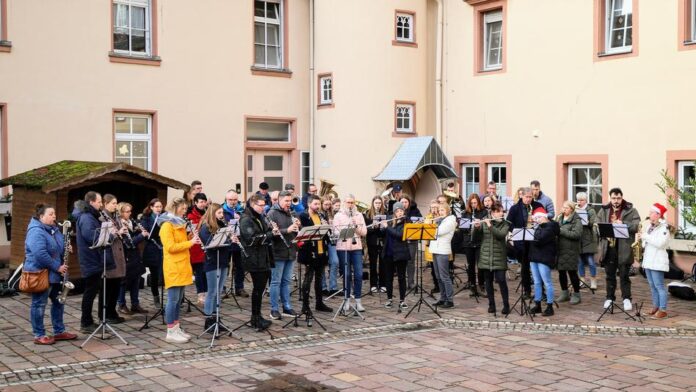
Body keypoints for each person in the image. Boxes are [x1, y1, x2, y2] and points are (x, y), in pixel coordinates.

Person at [25, 204, 78, 345]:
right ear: (41, 216)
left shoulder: (54, 230)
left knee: (58, 302)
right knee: (39, 304)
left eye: (54, 214)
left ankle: (59, 331)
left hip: (55, 275)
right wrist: (57, 267)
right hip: (41, 273)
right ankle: (39, 334)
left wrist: (67, 248)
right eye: (50, 214)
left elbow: (58, 247)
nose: (54, 216)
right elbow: (40, 254)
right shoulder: (36, 231)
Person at [160, 197, 199, 343]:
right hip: (173, 267)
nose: (184, 212)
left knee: (178, 301)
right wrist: (190, 242)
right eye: (182, 209)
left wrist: (189, 236)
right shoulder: (167, 226)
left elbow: (180, 243)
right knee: (173, 300)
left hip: (182, 265)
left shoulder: (179, 223)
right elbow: (170, 247)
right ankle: (170, 330)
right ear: (175, 208)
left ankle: (176, 327)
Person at [596, 187, 641, 311]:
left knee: (624, 276)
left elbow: (637, 225)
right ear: (610, 198)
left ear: (622, 197)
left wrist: (624, 224)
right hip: (608, 248)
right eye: (614, 198)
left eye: (618, 198)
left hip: (624, 249)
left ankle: (627, 299)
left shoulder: (631, 210)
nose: (616, 201)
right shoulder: (604, 210)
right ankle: (609, 298)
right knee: (609, 275)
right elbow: (596, 225)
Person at [74, 191, 111, 333]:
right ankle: (85, 323)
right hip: (90, 259)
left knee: (92, 290)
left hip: (94, 258)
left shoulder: (91, 216)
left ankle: (88, 320)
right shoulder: (87, 218)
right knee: (90, 292)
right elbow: (92, 238)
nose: (101, 204)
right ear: (91, 202)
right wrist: (107, 234)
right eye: (99, 201)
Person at [239, 194, 275, 331]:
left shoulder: (260, 216)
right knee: (257, 289)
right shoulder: (246, 219)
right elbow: (251, 239)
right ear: (253, 204)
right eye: (260, 205)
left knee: (260, 288)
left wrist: (272, 230)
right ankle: (255, 318)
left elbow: (265, 232)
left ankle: (258, 316)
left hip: (263, 256)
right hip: (254, 258)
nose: (263, 207)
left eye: (263, 205)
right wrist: (270, 235)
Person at [197, 203, 232, 332]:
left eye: (222, 213)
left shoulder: (223, 225)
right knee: (211, 291)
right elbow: (209, 244)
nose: (221, 215)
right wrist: (223, 239)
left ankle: (217, 317)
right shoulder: (206, 228)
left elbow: (226, 243)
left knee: (219, 291)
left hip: (223, 261)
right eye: (219, 213)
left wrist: (230, 237)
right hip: (212, 262)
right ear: (212, 214)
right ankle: (208, 319)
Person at [298, 195, 334, 314]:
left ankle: (319, 303)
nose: (318, 206)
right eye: (315, 204)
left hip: (321, 251)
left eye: (319, 204)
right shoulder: (303, 216)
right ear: (309, 204)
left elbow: (327, 234)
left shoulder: (321, 215)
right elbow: (303, 233)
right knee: (308, 278)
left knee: (319, 278)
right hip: (309, 252)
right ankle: (305, 306)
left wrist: (326, 226)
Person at [266, 191, 300, 320]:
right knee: (275, 282)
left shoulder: (292, 213)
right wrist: (287, 230)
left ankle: (287, 306)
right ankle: (274, 309)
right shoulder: (271, 213)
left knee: (286, 281)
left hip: (290, 251)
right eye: (286, 201)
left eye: (290, 201)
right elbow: (270, 233)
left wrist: (298, 226)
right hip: (278, 252)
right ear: (279, 201)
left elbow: (296, 233)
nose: (288, 203)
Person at [473, 202, 511, 314]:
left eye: (501, 211)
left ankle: (506, 305)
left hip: (499, 257)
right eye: (498, 211)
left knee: (501, 281)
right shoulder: (485, 221)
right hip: (486, 257)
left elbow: (500, 235)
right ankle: (491, 305)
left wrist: (490, 226)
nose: (501, 213)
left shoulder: (506, 224)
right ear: (493, 213)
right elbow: (475, 238)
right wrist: (476, 228)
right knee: (488, 282)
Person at [333, 194, 368, 311]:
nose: (350, 205)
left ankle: (358, 301)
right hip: (343, 248)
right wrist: (347, 228)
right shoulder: (338, 215)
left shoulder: (359, 215)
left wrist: (356, 226)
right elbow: (335, 232)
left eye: (352, 202)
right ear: (344, 203)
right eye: (348, 202)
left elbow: (364, 232)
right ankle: (346, 300)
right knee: (347, 275)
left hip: (356, 247)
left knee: (358, 274)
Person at [507, 187, 543, 299]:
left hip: (535, 241)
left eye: (530, 197)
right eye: (526, 197)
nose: (528, 199)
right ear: (521, 196)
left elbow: (545, 221)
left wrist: (537, 221)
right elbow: (509, 222)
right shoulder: (515, 208)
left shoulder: (537, 206)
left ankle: (542, 292)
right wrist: (516, 231)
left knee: (538, 267)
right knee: (525, 268)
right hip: (521, 242)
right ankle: (527, 291)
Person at [638, 203, 671, 319]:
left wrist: (645, 236)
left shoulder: (665, 228)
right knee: (652, 286)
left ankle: (663, 309)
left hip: (657, 261)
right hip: (648, 260)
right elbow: (646, 243)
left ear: (658, 215)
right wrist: (641, 238)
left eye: (651, 212)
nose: (649, 214)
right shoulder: (649, 227)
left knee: (659, 286)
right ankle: (655, 307)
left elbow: (660, 243)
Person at [117, 202, 148, 315]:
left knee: (136, 279)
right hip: (126, 256)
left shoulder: (130, 222)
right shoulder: (119, 225)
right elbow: (128, 243)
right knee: (123, 282)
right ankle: (121, 304)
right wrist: (141, 236)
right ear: (121, 212)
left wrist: (138, 230)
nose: (129, 213)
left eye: (130, 211)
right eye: (127, 211)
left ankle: (135, 304)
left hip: (135, 256)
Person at [101, 194, 128, 324]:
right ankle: (105, 313)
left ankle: (112, 312)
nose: (115, 206)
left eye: (116, 203)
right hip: (110, 254)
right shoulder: (102, 217)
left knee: (116, 285)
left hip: (118, 253)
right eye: (112, 203)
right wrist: (118, 232)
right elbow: (104, 235)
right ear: (105, 204)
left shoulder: (115, 216)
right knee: (108, 287)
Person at [528, 207, 559, 316]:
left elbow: (539, 240)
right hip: (534, 257)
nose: (538, 219)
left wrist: (531, 234)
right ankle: (538, 305)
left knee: (547, 282)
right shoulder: (539, 227)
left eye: (539, 217)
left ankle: (550, 306)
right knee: (536, 282)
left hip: (544, 258)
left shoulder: (550, 227)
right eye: (536, 218)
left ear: (545, 216)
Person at [381, 202, 409, 309]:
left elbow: (399, 235)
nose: (399, 213)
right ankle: (389, 299)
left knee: (401, 277)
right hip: (388, 253)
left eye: (401, 211)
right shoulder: (390, 222)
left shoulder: (406, 222)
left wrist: (387, 228)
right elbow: (382, 235)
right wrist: (382, 228)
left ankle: (402, 300)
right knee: (389, 278)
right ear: (394, 213)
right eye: (397, 211)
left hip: (401, 254)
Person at [555, 201, 583, 305]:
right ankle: (564, 293)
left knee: (572, 272)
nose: (563, 209)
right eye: (563, 207)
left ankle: (576, 294)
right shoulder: (559, 218)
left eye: (566, 207)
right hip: (560, 249)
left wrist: (561, 231)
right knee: (561, 272)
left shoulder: (576, 220)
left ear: (571, 209)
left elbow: (577, 234)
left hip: (571, 250)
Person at [430, 203, 457, 309]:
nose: (440, 212)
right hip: (435, 249)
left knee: (444, 276)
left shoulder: (450, 221)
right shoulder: (440, 220)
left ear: (447, 211)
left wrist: (431, 224)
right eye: (439, 210)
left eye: (442, 210)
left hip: (443, 251)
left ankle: (450, 300)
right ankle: (442, 298)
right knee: (438, 276)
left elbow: (438, 232)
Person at [222, 190, 248, 298]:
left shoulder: (242, 210)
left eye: (235, 200)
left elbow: (248, 225)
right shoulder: (221, 210)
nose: (233, 202)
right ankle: (222, 288)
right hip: (226, 242)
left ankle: (239, 287)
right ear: (226, 200)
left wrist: (241, 219)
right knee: (224, 265)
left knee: (240, 266)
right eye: (230, 200)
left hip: (238, 241)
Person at [461, 193, 487, 297]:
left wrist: (478, 226)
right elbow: (462, 229)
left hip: (479, 241)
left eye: (475, 203)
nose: (473, 205)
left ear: (478, 203)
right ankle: (472, 285)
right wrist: (469, 226)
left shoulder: (483, 212)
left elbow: (486, 228)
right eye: (471, 203)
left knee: (480, 265)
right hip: (468, 242)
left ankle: (481, 284)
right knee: (470, 265)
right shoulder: (465, 213)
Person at [140, 199, 164, 308]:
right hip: (152, 248)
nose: (159, 209)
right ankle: (156, 299)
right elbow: (146, 233)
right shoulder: (146, 218)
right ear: (151, 207)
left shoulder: (164, 217)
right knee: (154, 275)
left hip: (163, 247)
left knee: (164, 274)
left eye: (160, 207)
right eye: (157, 207)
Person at [187, 192, 208, 304]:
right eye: (200, 202)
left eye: (204, 202)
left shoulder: (207, 212)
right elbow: (190, 233)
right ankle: (201, 294)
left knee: (206, 271)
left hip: (206, 245)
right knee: (199, 272)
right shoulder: (191, 215)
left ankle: (207, 293)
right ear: (195, 203)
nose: (203, 204)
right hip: (196, 247)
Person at [575, 192, 598, 290]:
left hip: (588, 238)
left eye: (581, 200)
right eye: (578, 200)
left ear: (586, 201)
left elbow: (592, 222)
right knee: (579, 262)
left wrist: (587, 220)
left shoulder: (591, 210)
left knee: (590, 261)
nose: (579, 202)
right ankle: (582, 280)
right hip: (579, 238)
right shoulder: (575, 210)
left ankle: (593, 280)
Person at [364, 196, 386, 294]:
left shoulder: (385, 213)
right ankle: (373, 284)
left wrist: (383, 227)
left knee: (383, 263)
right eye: (376, 203)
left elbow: (387, 229)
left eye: (379, 203)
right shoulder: (368, 214)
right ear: (373, 203)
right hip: (372, 242)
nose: (378, 205)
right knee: (373, 264)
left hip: (382, 242)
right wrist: (373, 227)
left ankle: (383, 284)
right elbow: (365, 230)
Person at [400, 194, 422, 289]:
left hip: (412, 240)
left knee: (411, 261)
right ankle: (402, 282)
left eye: (406, 202)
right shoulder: (398, 211)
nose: (404, 204)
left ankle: (411, 282)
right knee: (401, 261)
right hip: (400, 240)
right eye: (402, 202)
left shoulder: (415, 211)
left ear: (409, 203)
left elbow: (420, 221)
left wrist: (417, 223)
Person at [320, 196, 340, 295]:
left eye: (329, 204)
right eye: (325, 204)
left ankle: (333, 287)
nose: (327, 207)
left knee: (335, 261)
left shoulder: (332, 213)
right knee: (322, 263)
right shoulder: (319, 213)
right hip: (322, 240)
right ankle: (323, 287)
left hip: (331, 239)